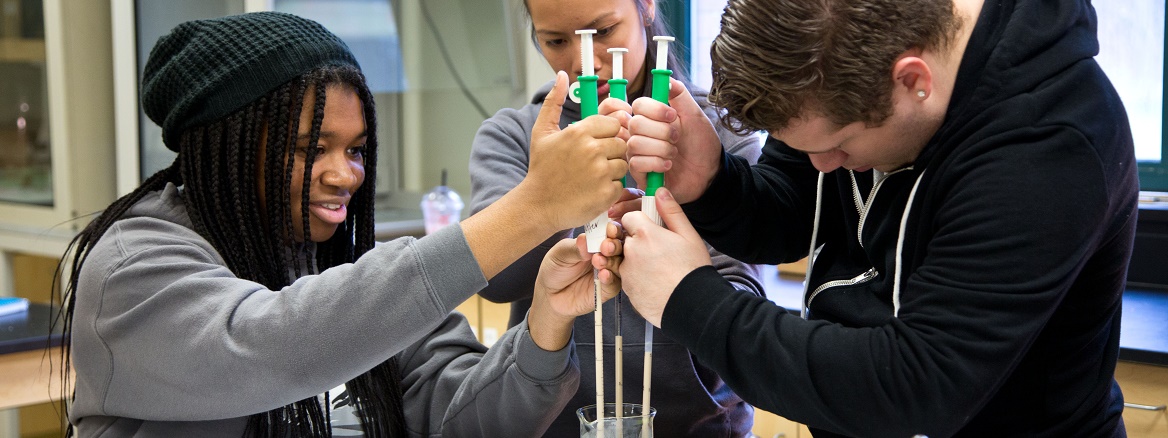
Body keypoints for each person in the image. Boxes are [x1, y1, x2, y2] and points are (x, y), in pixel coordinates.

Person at [57, 12, 627, 437]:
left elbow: (464, 420)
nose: (343, 175)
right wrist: (532, 209)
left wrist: (548, 321)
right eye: (310, 147)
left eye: (356, 150)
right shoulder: (134, 265)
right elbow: (275, 344)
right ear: (223, 147)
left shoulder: (348, 266)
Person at [614, 0, 1138, 436]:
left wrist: (692, 300)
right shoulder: (833, 58)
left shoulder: (1047, 147)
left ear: (914, 79)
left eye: (839, 147)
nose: (823, 166)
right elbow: (795, 211)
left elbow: (919, 383)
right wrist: (712, 183)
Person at [468, 0, 765, 436]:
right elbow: (494, 280)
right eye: (554, 40)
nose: (583, 59)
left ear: (646, 7)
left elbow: (742, 299)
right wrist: (552, 200)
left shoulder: (714, 131)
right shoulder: (514, 137)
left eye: (602, 31)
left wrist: (677, 238)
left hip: (702, 427)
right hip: (554, 425)